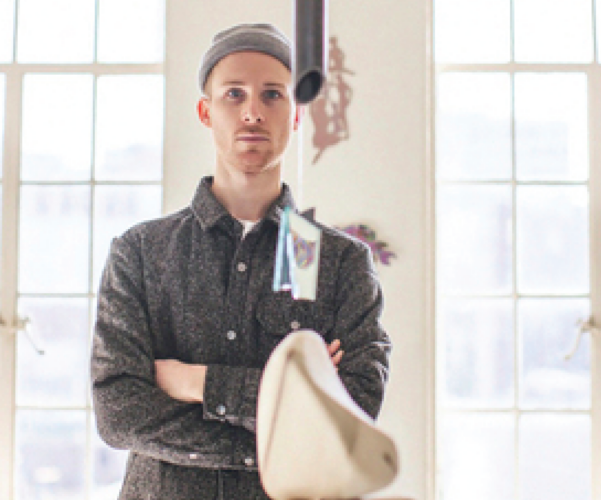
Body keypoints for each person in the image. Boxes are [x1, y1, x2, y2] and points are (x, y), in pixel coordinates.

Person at [91, 23, 391, 500]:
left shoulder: (338, 262)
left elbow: (353, 413)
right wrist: (283, 416)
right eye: (234, 94)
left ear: (295, 115)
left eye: (272, 95)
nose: (253, 112)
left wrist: (195, 381)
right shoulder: (140, 252)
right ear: (205, 112)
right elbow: (118, 413)